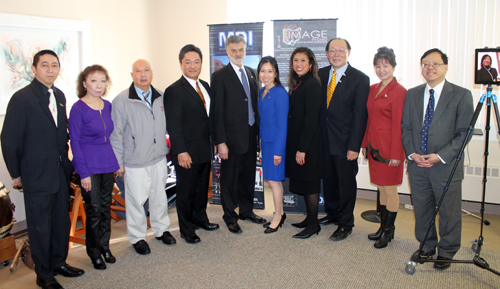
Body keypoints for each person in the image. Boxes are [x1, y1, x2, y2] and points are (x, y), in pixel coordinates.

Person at [1, 49, 84, 289]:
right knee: (39, 226)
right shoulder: (22, 98)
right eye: (45, 65)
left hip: (59, 172)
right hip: (35, 174)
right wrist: (16, 174)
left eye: (54, 65)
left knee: (59, 221)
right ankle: (44, 273)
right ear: (34, 69)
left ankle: (59, 262)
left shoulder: (58, 95)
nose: (50, 69)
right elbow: (9, 139)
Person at [402, 48, 474, 270]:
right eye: (425, 63)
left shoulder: (461, 94)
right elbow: (405, 128)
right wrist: (413, 154)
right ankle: (426, 246)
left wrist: (439, 156)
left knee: (448, 212)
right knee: (422, 209)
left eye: (435, 63)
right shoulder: (412, 94)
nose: (430, 68)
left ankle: (447, 251)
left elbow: (464, 132)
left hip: (445, 166)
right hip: (417, 165)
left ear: (446, 67)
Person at [110, 59, 175, 255]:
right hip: (135, 162)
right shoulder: (121, 100)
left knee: (159, 197)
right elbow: (116, 135)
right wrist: (118, 163)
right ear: (132, 75)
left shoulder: (161, 97)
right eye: (138, 71)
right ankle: (137, 237)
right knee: (136, 201)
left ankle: (161, 230)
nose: (143, 74)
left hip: (158, 158)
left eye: (146, 70)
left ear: (151, 73)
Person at [164, 44, 219, 244]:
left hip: (205, 149)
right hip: (186, 152)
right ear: (181, 64)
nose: (193, 65)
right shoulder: (174, 91)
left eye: (196, 62)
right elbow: (174, 125)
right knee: (186, 191)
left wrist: (214, 141)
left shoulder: (205, 86)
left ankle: (200, 219)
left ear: (201, 64)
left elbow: (209, 118)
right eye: (188, 62)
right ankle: (186, 229)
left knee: (200, 188)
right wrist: (180, 151)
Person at [211, 35, 267, 234]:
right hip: (231, 139)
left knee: (248, 177)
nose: (237, 53)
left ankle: (246, 210)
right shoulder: (219, 76)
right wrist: (221, 141)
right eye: (233, 50)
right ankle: (230, 216)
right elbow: (216, 112)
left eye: (241, 50)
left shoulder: (252, 73)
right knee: (229, 180)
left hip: (251, 136)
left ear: (245, 51)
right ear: (227, 52)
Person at [68, 65, 120, 269]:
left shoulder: (107, 105)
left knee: (106, 208)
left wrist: (116, 164)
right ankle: (94, 252)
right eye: (93, 80)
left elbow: (110, 137)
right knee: (94, 210)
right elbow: (75, 142)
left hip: (107, 163)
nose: (99, 85)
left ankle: (105, 246)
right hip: (89, 165)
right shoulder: (78, 108)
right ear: (84, 83)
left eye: (102, 80)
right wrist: (83, 173)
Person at [319, 38, 370, 241]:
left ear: (349, 53)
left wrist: (354, 146)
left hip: (345, 143)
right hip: (324, 141)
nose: (337, 54)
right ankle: (332, 214)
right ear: (327, 53)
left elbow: (360, 116)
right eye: (333, 50)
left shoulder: (360, 79)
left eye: (341, 50)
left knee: (346, 184)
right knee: (329, 181)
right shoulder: (320, 75)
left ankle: (346, 223)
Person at [360, 47, 407, 249]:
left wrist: (397, 154)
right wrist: (364, 144)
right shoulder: (372, 89)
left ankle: (388, 230)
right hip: (374, 148)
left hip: (390, 151)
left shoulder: (400, 92)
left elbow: (400, 125)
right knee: (380, 188)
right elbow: (368, 119)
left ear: (393, 67)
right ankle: (384, 227)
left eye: (385, 65)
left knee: (390, 191)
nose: (381, 69)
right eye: (378, 66)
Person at [286, 47, 323, 239]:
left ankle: (313, 225)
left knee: (310, 184)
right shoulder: (299, 83)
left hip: (309, 146)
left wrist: (302, 149)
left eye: (302, 61)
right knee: (304, 181)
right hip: (300, 143)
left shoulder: (312, 85)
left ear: (310, 64)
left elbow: (311, 121)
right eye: (295, 61)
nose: (298, 64)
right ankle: (310, 219)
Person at [256, 56, 289, 234]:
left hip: (275, 145)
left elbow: (282, 125)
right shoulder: (261, 91)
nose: (266, 75)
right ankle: (280, 212)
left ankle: (277, 216)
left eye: (270, 71)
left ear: (276, 73)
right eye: (262, 71)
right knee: (271, 180)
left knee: (274, 182)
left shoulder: (280, 93)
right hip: (265, 144)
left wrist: (278, 151)